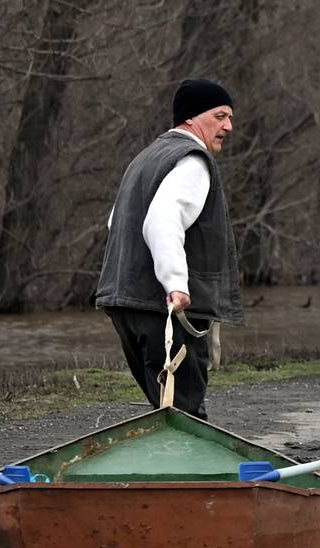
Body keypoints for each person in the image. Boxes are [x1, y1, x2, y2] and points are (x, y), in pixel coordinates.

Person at [95, 79, 244, 420]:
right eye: (220, 116)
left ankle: (164, 471)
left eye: (229, 117)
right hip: (164, 307)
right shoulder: (192, 161)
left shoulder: (145, 158)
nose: (228, 126)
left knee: (166, 408)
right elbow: (161, 220)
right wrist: (176, 283)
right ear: (192, 118)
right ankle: (195, 473)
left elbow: (116, 224)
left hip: (126, 305)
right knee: (185, 414)